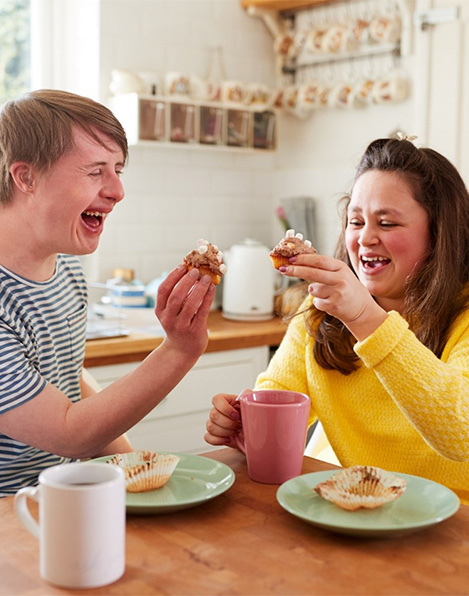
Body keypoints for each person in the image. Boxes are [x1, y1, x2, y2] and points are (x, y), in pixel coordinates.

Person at [205, 136, 469, 505]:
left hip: (450, 526)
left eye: (388, 223)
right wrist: (246, 425)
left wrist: (364, 316)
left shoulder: (462, 318)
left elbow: (461, 434)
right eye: (356, 221)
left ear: (441, 234)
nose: (364, 238)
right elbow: (278, 400)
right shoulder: (319, 312)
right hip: (347, 508)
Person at [0, 89, 215, 496]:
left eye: (118, 169)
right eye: (96, 171)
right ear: (25, 177)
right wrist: (179, 350)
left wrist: (131, 469)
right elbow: (68, 431)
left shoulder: (66, 272)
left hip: (67, 497)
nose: (117, 191)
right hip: (10, 519)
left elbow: (67, 379)